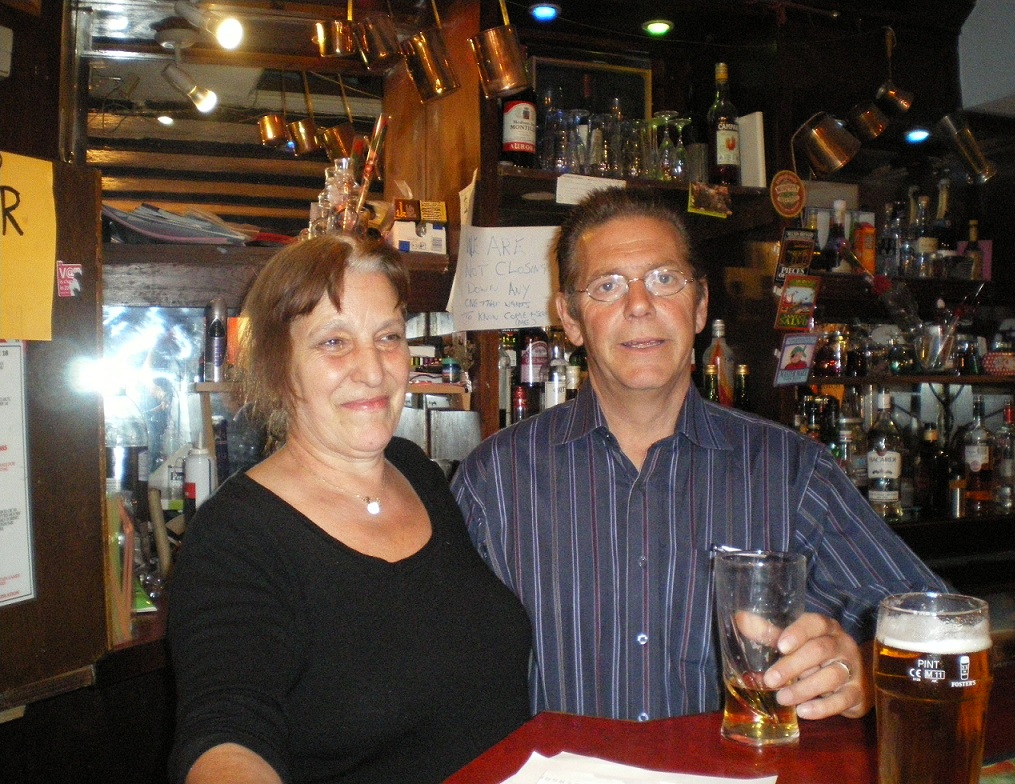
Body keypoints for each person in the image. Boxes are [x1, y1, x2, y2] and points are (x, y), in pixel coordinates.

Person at [452, 188, 947, 724]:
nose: (640, 305)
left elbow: (939, 634)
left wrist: (864, 672)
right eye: (607, 285)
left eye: (664, 279)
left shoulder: (791, 473)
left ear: (701, 306)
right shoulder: (494, 482)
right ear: (569, 319)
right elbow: (440, 675)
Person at [167, 235, 532, 784]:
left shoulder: (416, 472)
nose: (373, 370)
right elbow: (225, 733)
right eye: (335, 342)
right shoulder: (237, 537)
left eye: (388, 337)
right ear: (277, 364)